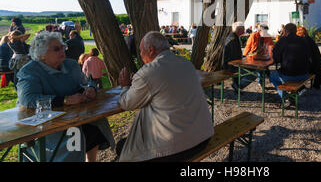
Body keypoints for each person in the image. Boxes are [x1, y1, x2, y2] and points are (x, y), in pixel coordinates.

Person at [16, 31, 115, 162]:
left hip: (75, 117)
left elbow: (86, 83)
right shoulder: (29, 71)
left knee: (96, 125)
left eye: (63, 47)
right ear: (41, 54)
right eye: (57, 49)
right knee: (74, 132)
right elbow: (27, 98)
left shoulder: (71, 65)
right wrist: (64, 100)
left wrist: (90, 89)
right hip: (44, 125)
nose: (62, 50)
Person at [115, 32, 213, 162]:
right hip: (203, 137)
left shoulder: (149, 71)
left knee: (122, 147)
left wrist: (125, 86)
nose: (140, 54)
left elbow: (126, 103)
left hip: (176, 148)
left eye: (141, 50)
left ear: (151, 50)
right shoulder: (186, 63)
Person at [269, 23, 313, 104]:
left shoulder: (282, 41)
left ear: (285, 31)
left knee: (272, 76)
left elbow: (276, 59)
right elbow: (309, 55)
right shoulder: (303, 40)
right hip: (304, 74)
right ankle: (293, 94)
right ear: (296, 31)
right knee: (287, 71)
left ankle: (285, 96)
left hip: (289, 75)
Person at [223, 22, 256, 93]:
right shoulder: (233, 39)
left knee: (252, 69)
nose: (244, 31)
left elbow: (236, 56)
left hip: (231, 64)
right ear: (238, 29)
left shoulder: (233, 36)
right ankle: (238, 86)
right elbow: (235, 58)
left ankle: (237, 85)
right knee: (254, 74)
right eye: (243, 29)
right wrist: (245, 61)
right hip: (230, 66)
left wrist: (245, 58)